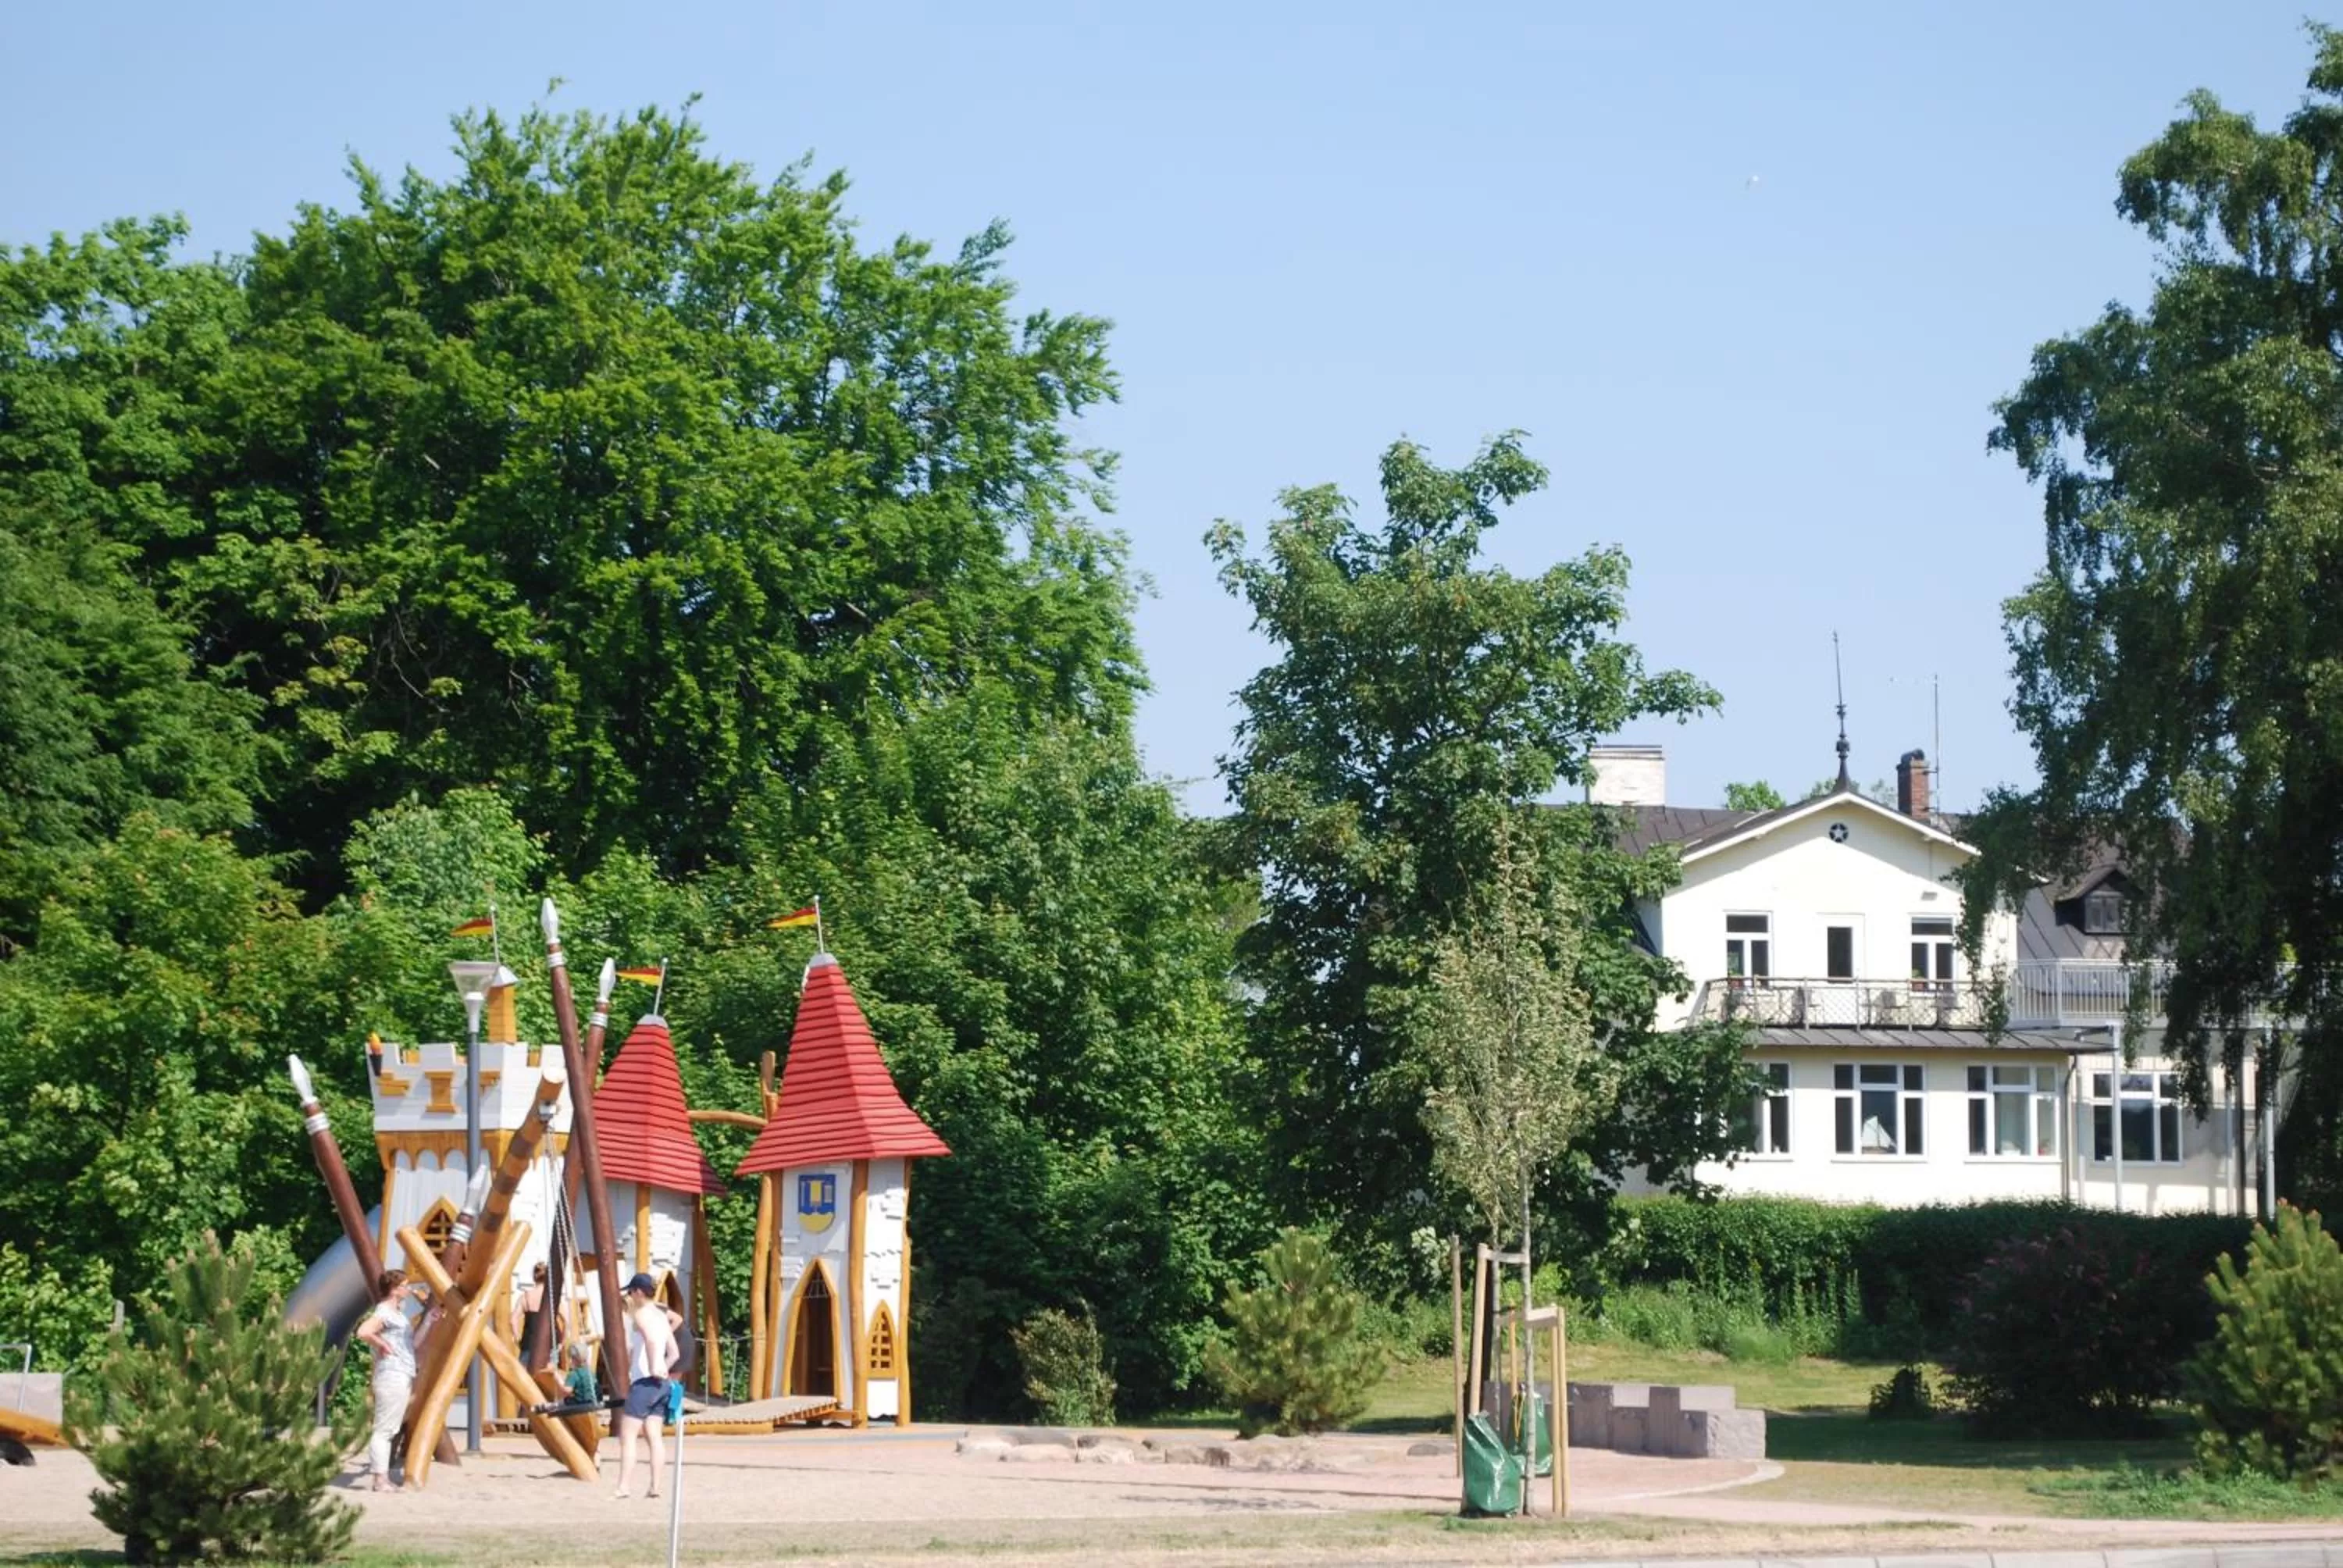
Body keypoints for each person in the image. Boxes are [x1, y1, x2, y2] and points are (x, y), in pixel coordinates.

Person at [353, 1269, 437, 1492]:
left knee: (389, 1427)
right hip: (391, 1373)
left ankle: (383, 1477)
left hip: (402, 1372)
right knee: (384, 1429)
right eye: (405, 1285)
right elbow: (363, 1331)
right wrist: (381, 1345)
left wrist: (429, 1320)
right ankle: (379, 1480)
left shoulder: (398, 1315)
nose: (408, 1289)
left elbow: (412, 1345)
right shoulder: (384, 1311)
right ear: (395, 1288)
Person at [612, 1273, 679, 1500]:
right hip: (663, 1383)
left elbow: (650, 1340)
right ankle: (655, 1486)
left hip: (645, 1381)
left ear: (639, 1292)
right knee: (654, 1435)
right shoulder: (661, 1316)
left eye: (631, 1292)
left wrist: (652, 1367)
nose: (629, 1296)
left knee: (628, 1434)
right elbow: (674, 1352)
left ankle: (623, 1487)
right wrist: (663, 1368)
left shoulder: (640, 1314)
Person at [562, 1338, 599, 1407]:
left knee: (566, 1400)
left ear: (572, 1359)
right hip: (592, 1402)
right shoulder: (590, 1373)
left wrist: (557, 1378)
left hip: (580, 1404)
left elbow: (567, 1391)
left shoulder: (573, 1374)